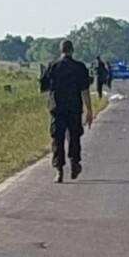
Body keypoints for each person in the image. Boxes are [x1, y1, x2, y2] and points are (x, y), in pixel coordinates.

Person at [39, 40, 95, 183]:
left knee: (57, 139)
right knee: (74, 137)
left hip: (57, 108)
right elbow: (84, 90)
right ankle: (75, 163)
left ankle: (59, 170)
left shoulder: (52, 66)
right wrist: (89, 110)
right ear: (72, 50)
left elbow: (44, 87)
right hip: (74, 108)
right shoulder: (80, 67)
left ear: (60, 50)